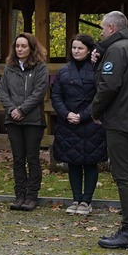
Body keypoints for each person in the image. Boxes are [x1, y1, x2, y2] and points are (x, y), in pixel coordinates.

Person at [94, 12, 128, 249]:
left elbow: (108, 85)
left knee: (123, 175)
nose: (101, 33)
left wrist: (95, 110)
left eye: (103, 28)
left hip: (120, 119)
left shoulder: (116, 50)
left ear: (112, 28)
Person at [51, 35, 105, 214]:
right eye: (74, 48)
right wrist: (66, 114)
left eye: (80, 48)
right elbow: (56, 96)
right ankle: (75, 199)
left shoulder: (97, 70)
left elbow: (99, 96)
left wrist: (83, 115)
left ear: (89, 50)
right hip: (68, 122)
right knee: (72, 161)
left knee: (90, 162)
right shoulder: (64, 71)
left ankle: (86, 201)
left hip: (90, 122)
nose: (76, 51)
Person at [0, 35, 49, 211]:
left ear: (31, 48)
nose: (20, 49)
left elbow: (39, 92)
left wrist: (22, 110)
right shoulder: (9, 68)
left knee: (32, 158)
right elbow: (3, 91)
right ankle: (19, 194)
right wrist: (12, 110)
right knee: (18, 158)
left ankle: (31, 195)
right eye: (17, 46)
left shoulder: (40, 68)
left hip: (33, 120)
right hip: (12, 120)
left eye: (23, 46)